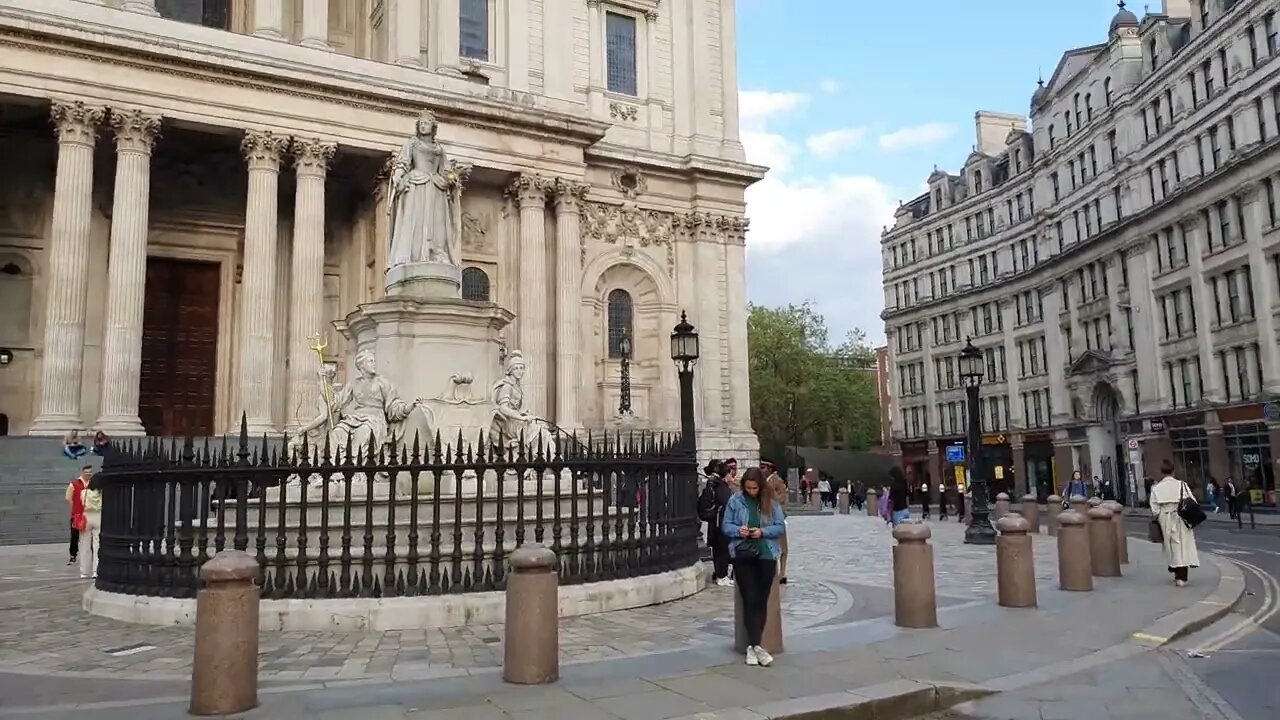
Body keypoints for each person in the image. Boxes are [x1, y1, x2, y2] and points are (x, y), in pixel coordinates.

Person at [721, 467, 786, 667]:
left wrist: (763, 532)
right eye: (748, 488)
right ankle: (755, 645)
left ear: (760, 486)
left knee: (761, 599)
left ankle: (754, 647)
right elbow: (726, 525)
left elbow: (779, 526)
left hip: (766, 553)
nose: (751, 491)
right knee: (749, 598)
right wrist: (739, 531)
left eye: (754, 488)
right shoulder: (735, 501)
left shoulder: (771, 502)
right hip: (743, 553)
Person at [1149, 459, 1200, 587]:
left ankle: (1176, 570)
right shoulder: (1182, 484)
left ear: (1162, 472)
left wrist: (1161, 515)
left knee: (1171, 546)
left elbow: (1154, 509)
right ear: (1173, 471)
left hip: (1166, 518)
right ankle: (1182, 576)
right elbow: (1192, 501)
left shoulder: (1156, 488)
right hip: (1182, 517)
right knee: (1183, 546)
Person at [697, 460, 734, 586]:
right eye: (730, 473)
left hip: (719, 523)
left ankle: (721, 574)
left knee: (720, 550)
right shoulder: (719, 486)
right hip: (720, 524)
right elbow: (726, 503)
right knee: (721, 550)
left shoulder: (716, 485)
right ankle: (721, 575)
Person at [760, 459, 789, 584]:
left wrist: (770, 496)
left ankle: (782, 573)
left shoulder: (777, 481)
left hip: (775, 517)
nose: (761, 470)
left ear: (770, 469)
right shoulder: (763, 481)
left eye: (763, 467)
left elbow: (782, 498)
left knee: (782, 547)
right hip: (765, 517)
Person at [64, 466, 91, 566]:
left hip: (89, 514)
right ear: (82, 473)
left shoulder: (93, 484)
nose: (88, 474)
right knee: (74, 536)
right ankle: (73, 555)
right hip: (77, 514)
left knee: (89, 536)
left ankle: (90, 554)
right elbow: (68, 497)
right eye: (86, 472)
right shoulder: (74, 484)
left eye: (90, 472)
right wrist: (76, 506)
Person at [79, 474, 103, 579]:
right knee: (97, 545)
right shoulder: (102, 493)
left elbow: (81, 503)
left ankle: (84, 572)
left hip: (86, 517)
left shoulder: (84, 493)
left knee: (85, 545)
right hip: (98, 517)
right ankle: (95, 571)